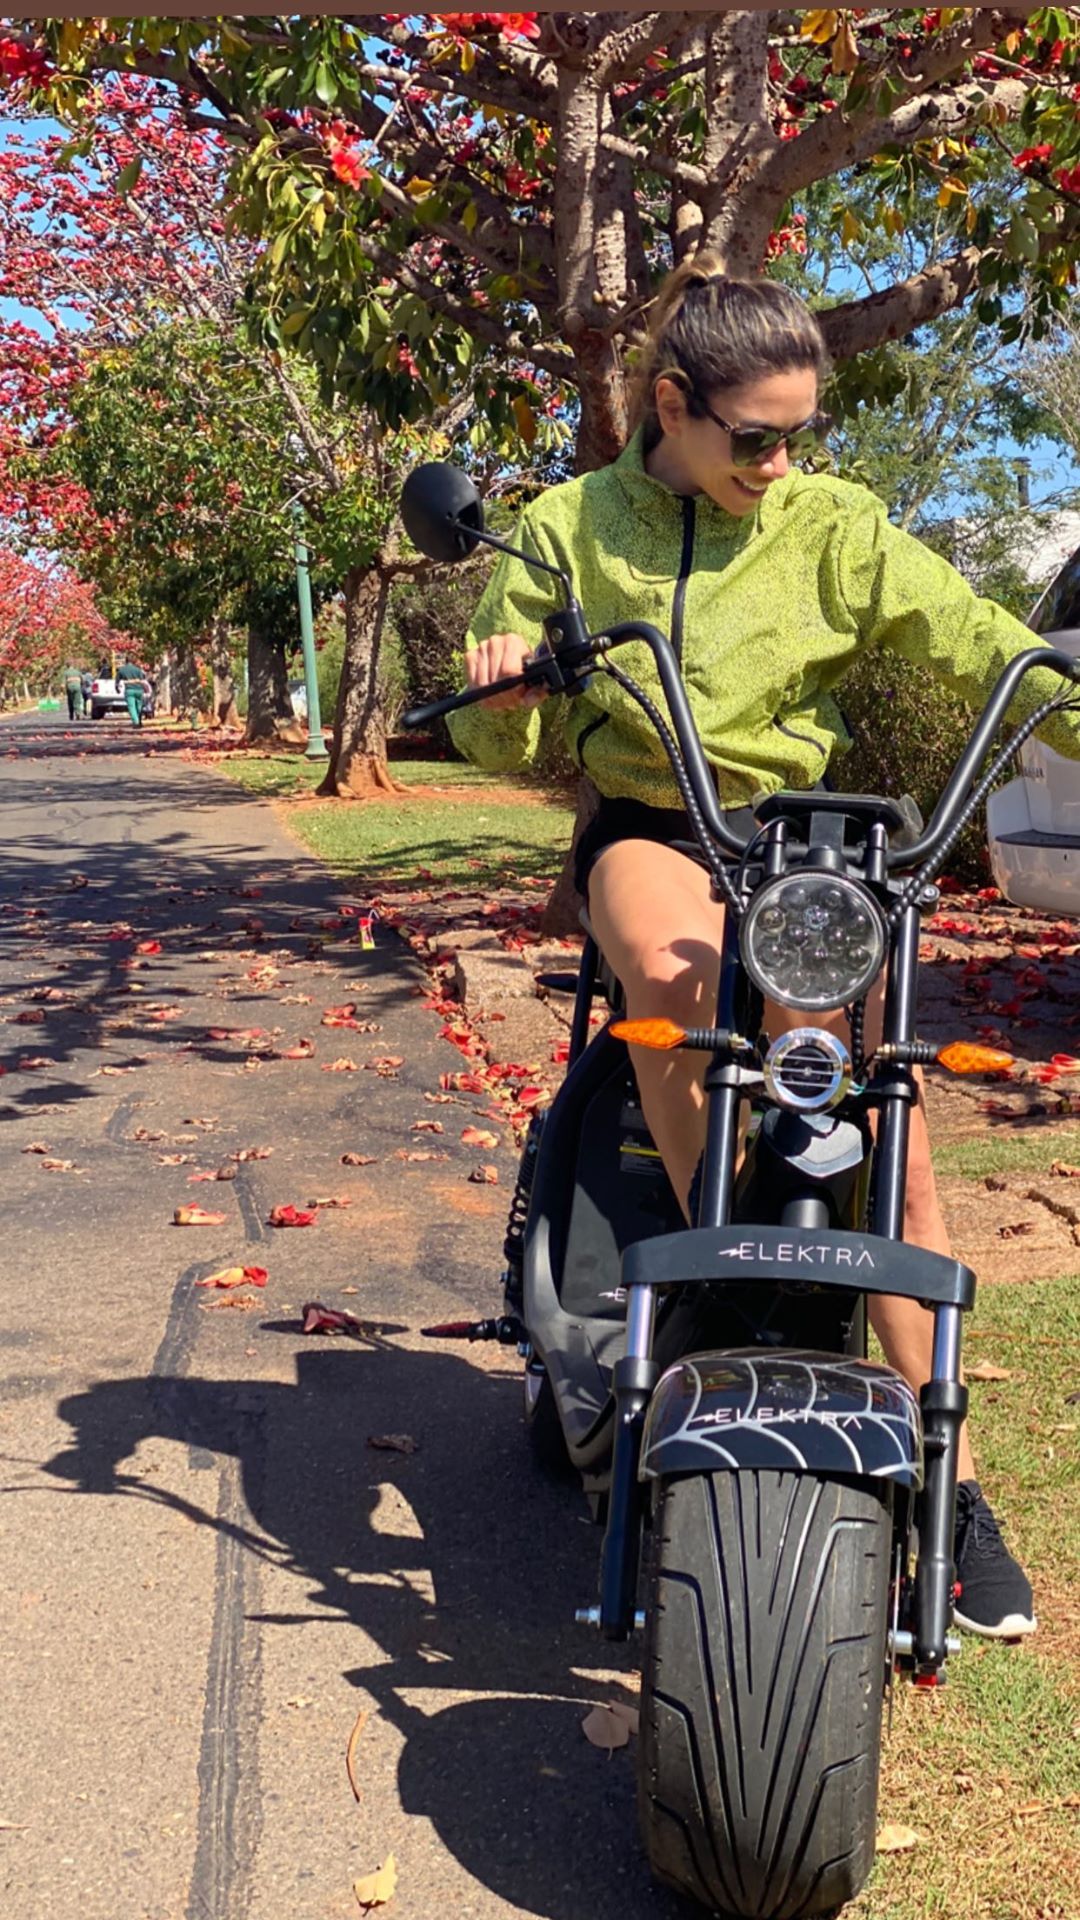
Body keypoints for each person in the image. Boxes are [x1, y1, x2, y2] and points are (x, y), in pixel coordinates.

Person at [448, 261, 1080, 1642]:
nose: (780, 461)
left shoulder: (835, 525)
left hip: (809, 849)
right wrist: (503, 673)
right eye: (755, 436)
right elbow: (502, 745)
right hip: (655, 825)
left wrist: (1062, 684)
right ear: (672, 404)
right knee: (677, 981)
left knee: (882, 1129)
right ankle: (735, 1278)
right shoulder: (568, 526)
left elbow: (985, 640)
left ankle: (951, 1485)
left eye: (799, 433)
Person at [116, 657, 145, 728]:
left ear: (126, 661)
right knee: (139, 706)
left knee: (132, 707)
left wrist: (117, 688)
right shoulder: (138, 670)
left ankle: (136, 722)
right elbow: (142, 679)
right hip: (139, 690)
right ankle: (139, 720)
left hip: (129, 690)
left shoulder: (122, 670)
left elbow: (117, 680)